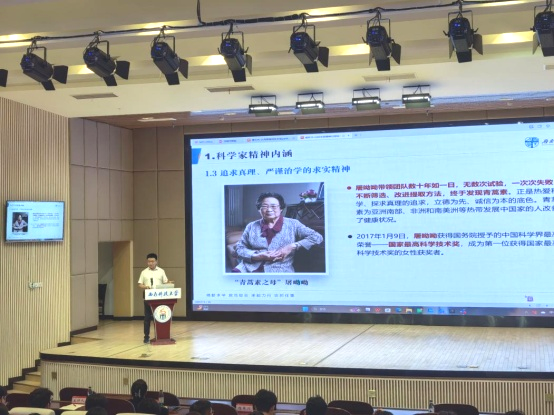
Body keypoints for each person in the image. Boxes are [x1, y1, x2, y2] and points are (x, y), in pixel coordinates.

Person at [233, 192, 323, 273]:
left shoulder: (293, 224)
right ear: (259, 210)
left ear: (281, 209)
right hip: (249, 267)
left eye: (273, 206)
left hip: (280, 269)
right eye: (264, 206)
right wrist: (257, 256)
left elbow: (317, 237)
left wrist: (292, 246)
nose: (269, 209)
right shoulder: (251, 226)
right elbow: (239, 248)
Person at [138, 253, 173, 343]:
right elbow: (140, 284)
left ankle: (161, 335)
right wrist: (145, 286)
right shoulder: (144, 272)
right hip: (148, 297)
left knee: (159, 317)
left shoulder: (161, 271)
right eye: (149, 261)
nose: (150, 263)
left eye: (152, 261)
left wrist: (169, 283)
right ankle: (146, 336)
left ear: (156, 262)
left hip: (159, 297)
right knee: (147, 318)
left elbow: (165, 282)